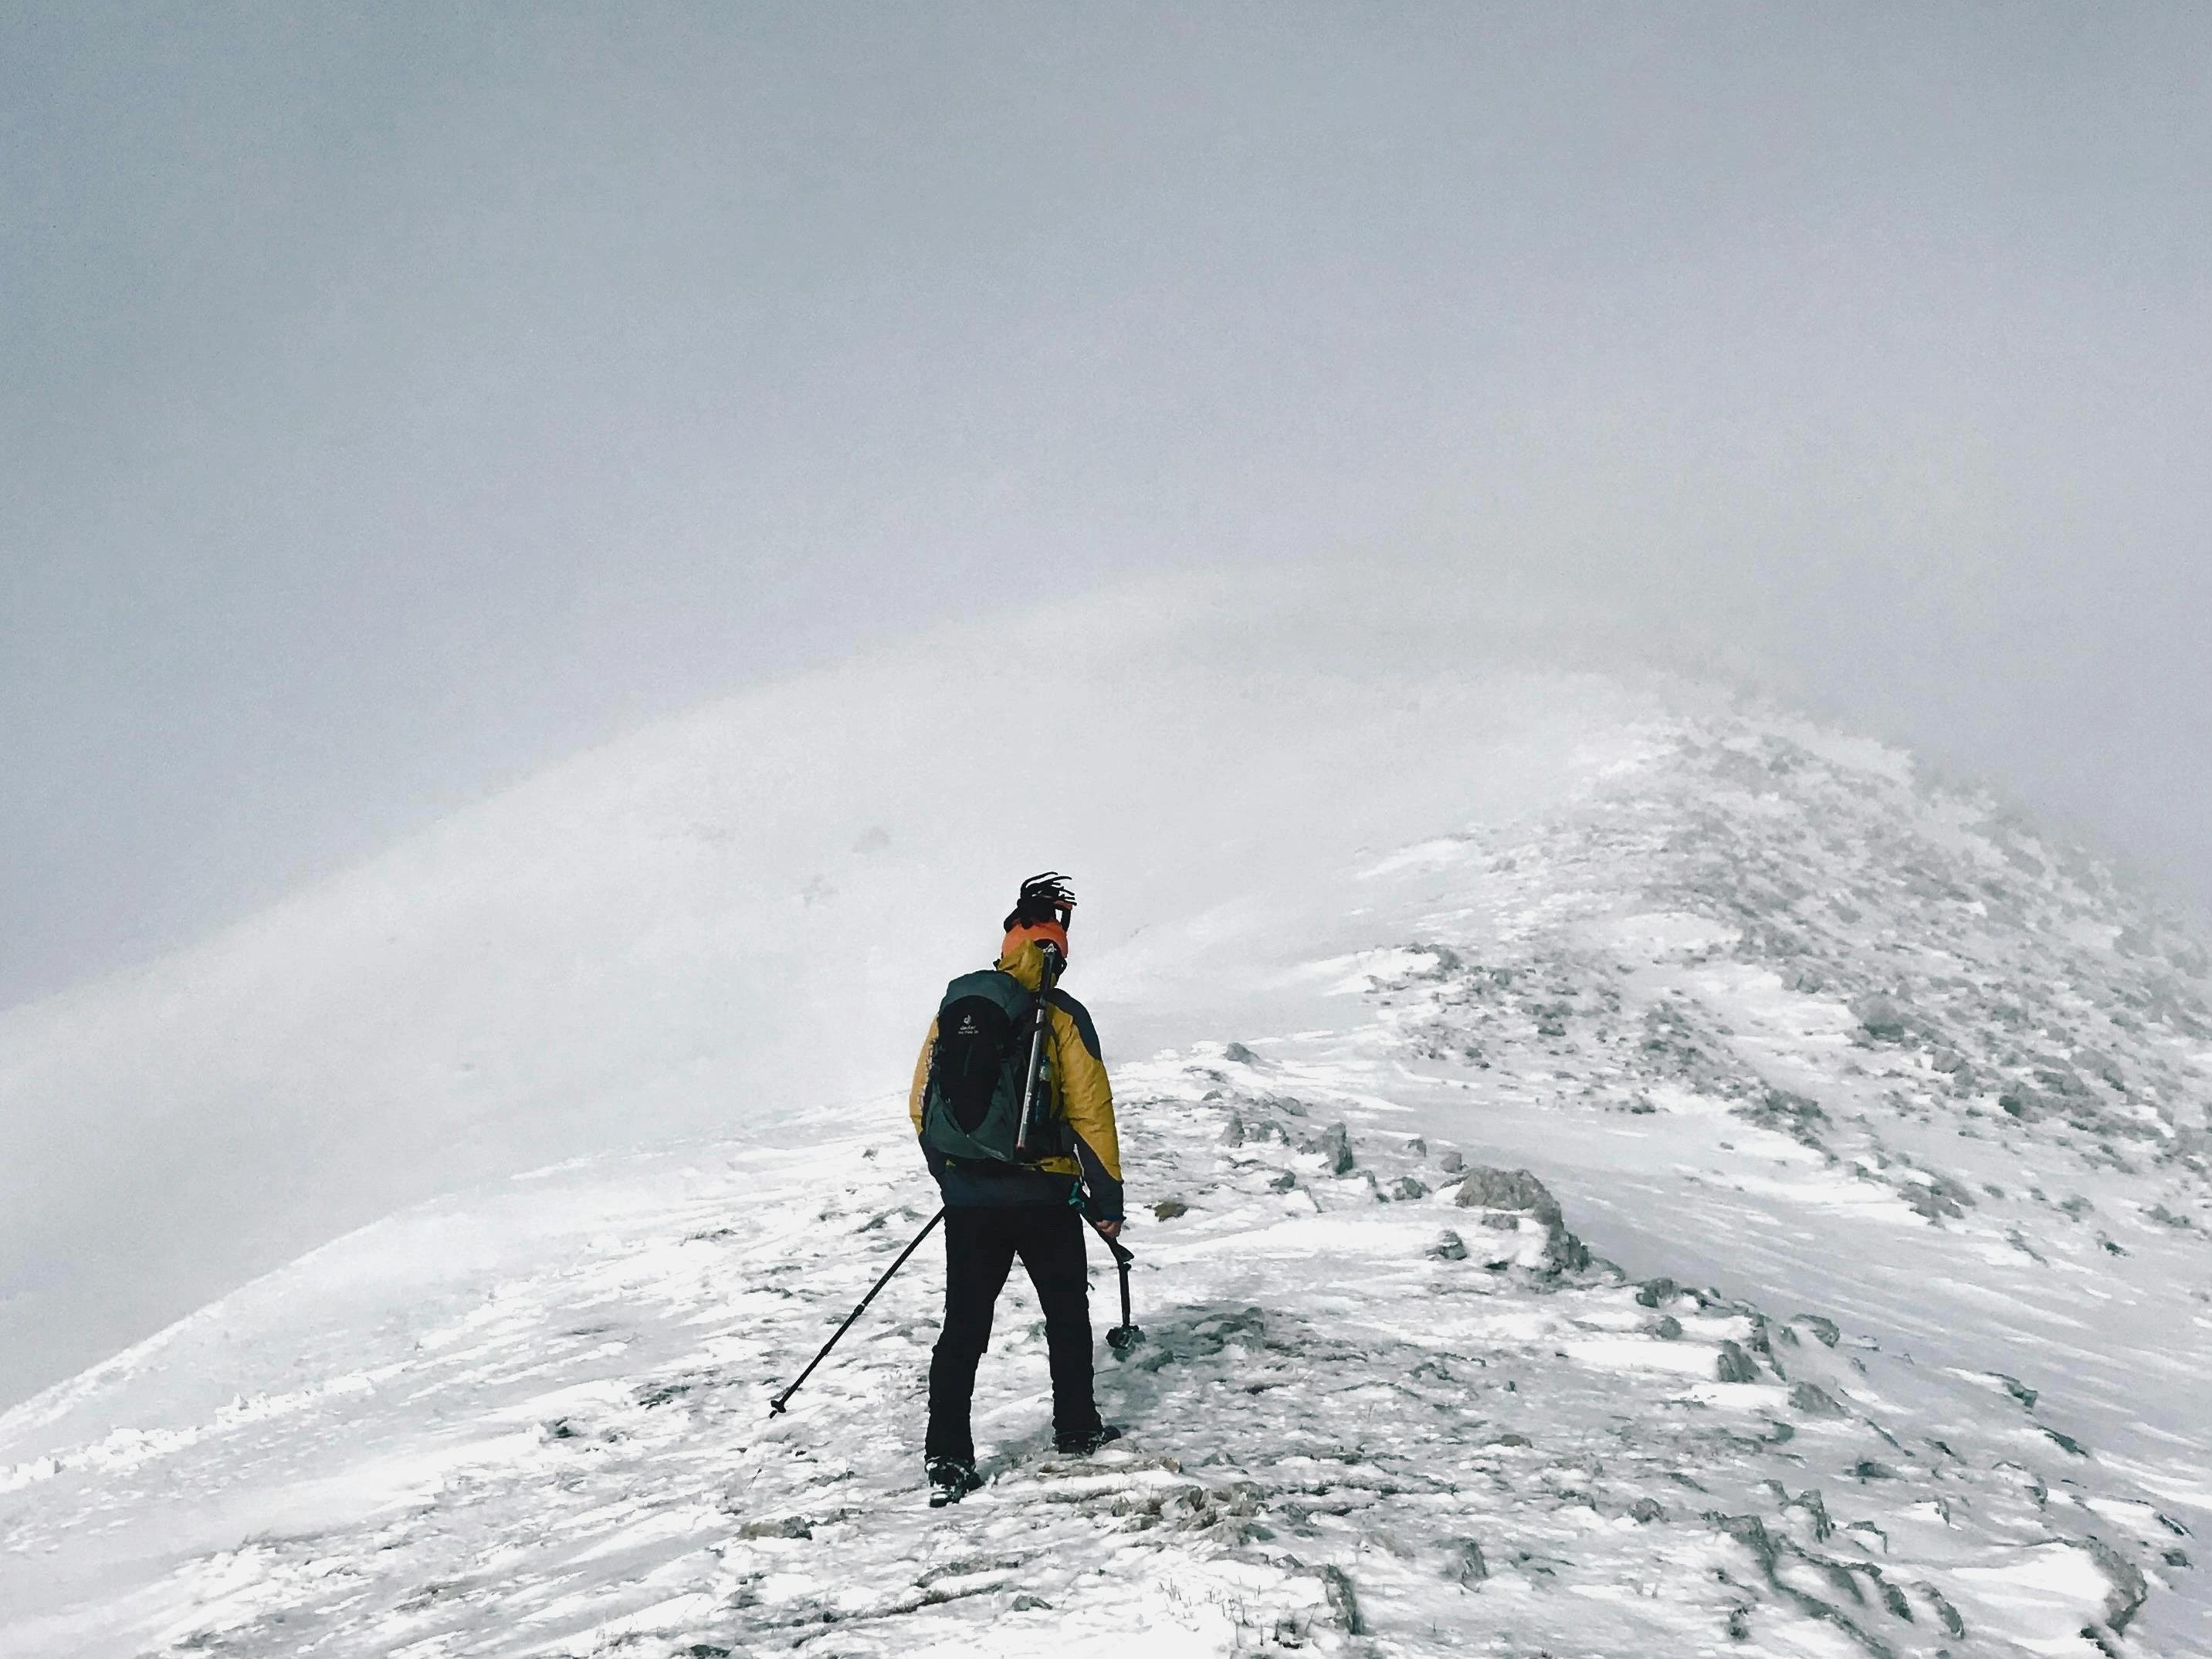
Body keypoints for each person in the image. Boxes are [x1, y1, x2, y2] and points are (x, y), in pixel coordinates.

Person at [907, 873, 1126, 1506]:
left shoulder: (959, 1006)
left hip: (970, 1200)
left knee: (964, 1326)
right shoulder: (1060, 1014)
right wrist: (1107, 1205)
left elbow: (921, 1105)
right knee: (1065, 1312)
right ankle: (1076, 1426)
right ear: (1057, 944)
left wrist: (953, 1177)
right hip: (1044, 1195)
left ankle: (946, 1454)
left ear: (1009, 940)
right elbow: (1092, 1113)